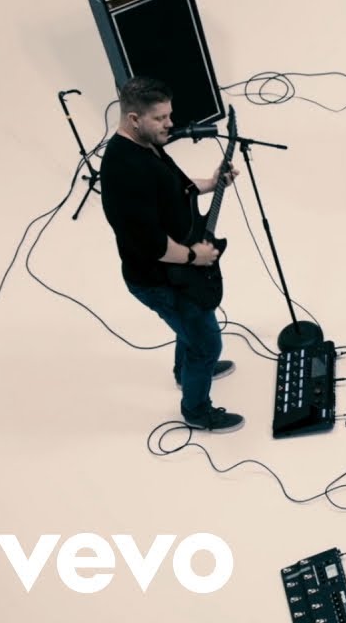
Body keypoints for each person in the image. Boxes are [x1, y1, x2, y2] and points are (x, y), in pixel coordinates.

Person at [99, 76, 244, 433]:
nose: (170, 124)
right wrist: (196, 257)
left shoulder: (148, 144)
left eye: (169, 115)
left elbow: (174, 188)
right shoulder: (124, 169)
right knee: (206, 341)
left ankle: (185, 372)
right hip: (158, 279)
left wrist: (213, 182)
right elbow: (153, 245)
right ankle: (196, 410)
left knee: (191, 327)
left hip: (175, 270)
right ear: (134, 119)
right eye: (161, 118)